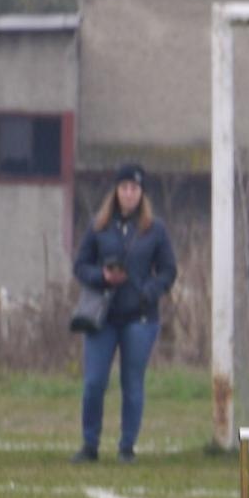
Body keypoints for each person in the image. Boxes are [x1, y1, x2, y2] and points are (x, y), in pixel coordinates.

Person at [72, 163, 178, 464]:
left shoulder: (155, 229)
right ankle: (89, 443)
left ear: (141, 193)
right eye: (123, 187)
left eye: (134, 188)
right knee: (94, 382)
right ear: (115, 191)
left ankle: (126, 445)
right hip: (102, 316)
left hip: (140, 317)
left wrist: (149, 290)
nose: (128, 193)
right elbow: (80, 266)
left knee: (132, 383)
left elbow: (169, 270)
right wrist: (102, 276)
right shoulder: (99, 226)